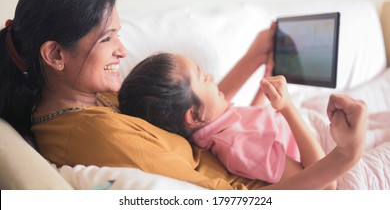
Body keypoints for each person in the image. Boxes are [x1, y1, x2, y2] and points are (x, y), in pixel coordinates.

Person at [0, 0, 366, 190]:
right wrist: (346, 155)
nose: (123, 51)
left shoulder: (90, 99)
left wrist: (255, 57)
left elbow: (201, 113)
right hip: (290, 183)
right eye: (107, 38)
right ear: (55, 55)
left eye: (119, 34)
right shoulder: (96, 135)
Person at [118, 52, 330, 186]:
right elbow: (322, 181)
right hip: (324, 149)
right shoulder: (237, 144)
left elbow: (252, 127)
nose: (210, 76)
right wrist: (287, 107)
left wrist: (265, 86)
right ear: (193, 114)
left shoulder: (219, 128)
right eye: (202, 77)